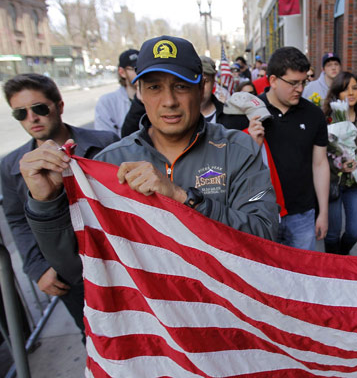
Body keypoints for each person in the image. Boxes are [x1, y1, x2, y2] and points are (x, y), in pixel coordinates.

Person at [19, 35, 280, 288]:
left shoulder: (237, 149)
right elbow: (77, 268)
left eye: (181, 86)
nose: (169, 101)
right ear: (140, 93)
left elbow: (265, 237)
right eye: (155, 87)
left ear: (201, 89)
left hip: (227, 316)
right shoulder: (111, 161)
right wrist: (45, 203)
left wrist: (182, 197)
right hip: (151, 324)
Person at [1, 73, 119, 334]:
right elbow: (16, 219)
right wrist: (37, 267)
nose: (32, 118)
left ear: (59, 106)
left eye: (39, 108)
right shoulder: (11, 166)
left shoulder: (105, 143)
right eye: (20, 113)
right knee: (92, 337)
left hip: (115, 258)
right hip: (68, 273)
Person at [254, 46, 329, 251]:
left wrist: (323, 212)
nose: (300, 88)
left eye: (303, 82)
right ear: (273, 80)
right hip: (262, 212)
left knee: (302, 275)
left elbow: (320, 163)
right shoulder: (250, 111)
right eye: (293, 83)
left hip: (303, 214)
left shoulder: (313, 115)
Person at [322, 72, 357, 255]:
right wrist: (338, 165)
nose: (351, 93)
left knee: (354, 232)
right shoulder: (327, 119)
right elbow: (320, 153)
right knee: (332, 234)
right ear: (337, 93)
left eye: (354, 88)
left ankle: (341, 256)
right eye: (345, 89)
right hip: (333, 182)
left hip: (356, 182)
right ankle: (332, 265)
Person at [94, 49, 139, 136]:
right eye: (135, 69)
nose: (140, 72)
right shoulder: (107, 103)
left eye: (143, 67)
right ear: (122, 72)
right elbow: (105, 140)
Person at [199, 55, 249, 131]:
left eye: (205, 81)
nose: (201, 87)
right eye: (196, 81)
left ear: (213, 79)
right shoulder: (178, 117)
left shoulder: (233, 118)